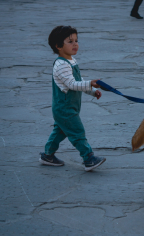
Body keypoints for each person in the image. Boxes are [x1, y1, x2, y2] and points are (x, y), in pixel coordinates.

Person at [40, 25, 106, 171]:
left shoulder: (70, 61)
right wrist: (90, 84)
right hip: (65, 108)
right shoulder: (61, 65)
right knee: (77, 131)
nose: (75, 44)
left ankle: (47, 155)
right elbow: (72, 84)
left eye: (76, 40)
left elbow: (77, 79)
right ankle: (88, 158)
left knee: (60, 131)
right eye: (70, 41)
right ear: (58, 46)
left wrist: (92, 90)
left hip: (68, 107)